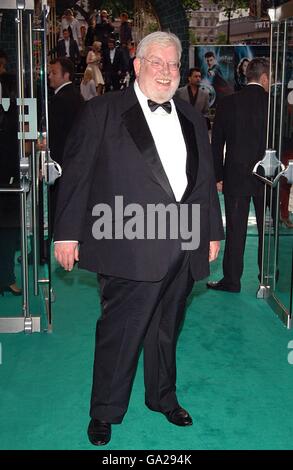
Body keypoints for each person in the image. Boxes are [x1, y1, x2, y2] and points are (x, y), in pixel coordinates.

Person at [54, 31, 224, 446]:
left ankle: (162, 397)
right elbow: (77, 176)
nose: (165, 72)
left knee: (167, 329)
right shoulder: (103, 112)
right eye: (156, 63)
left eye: (172, 64)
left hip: (183, 242)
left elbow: (202, 181)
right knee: (122, 330)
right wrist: (66, 234)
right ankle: (105, 411)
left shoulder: (190, 115)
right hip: (127, 239)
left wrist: (211, 232)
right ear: (137, 66)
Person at [207, 57, 270, 293]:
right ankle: (267, 278)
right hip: (268, 176)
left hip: (235, 175)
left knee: (235, 230)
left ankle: (232, 280)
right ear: (264, 78)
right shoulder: (274, 105)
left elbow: (216, 145)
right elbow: (283, 141)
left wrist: (218, 175)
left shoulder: (227, 103)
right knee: (267, 230)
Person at [47, 57, 84, 239]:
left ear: (66, 75)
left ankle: (53, 245)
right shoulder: (76, 96)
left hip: (60, 163)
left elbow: (56, 138)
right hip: (74, 161)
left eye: (54, 73)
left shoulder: (61, 100)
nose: (49, 77)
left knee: (57, 206)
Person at [0, 51, 21, 295]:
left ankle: (6, 276)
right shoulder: (14, 111)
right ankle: (6, 277)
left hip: (10, 174)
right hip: (10, 175)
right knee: (7, 231)